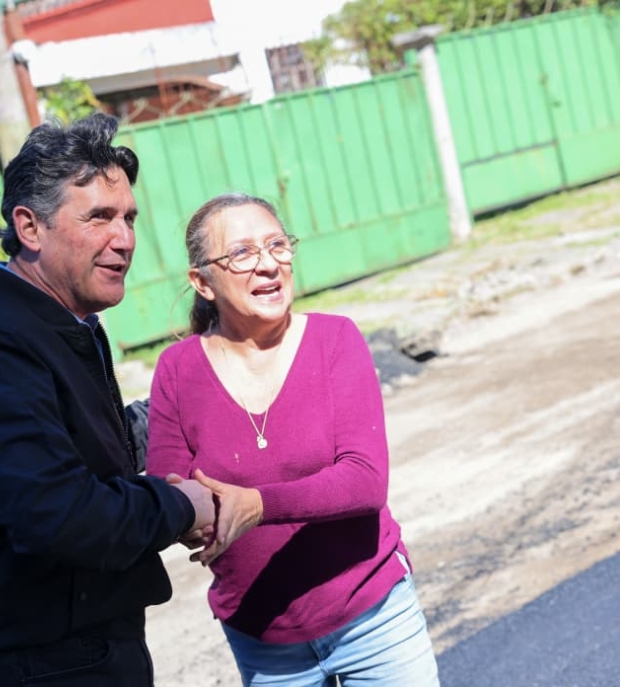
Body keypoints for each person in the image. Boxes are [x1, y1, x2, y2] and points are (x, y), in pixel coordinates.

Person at [0, 112, 215, 687]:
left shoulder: (58, 322)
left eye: (128, 218)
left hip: (76, 648)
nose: (124, 239)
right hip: (35, 664)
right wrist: (181, 506)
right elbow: (59, 515)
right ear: (29, 227)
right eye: (98, 217)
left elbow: (86, 453)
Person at [145, 193, 439, 686]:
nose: (268, 265)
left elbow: (364, 481)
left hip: (373, 616)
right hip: (262, 637)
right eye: (242, 253)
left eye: (277, 245)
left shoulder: (334, 340)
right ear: (203, 282)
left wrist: (256, 505)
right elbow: (167, 484)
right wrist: (187, 517)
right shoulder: (178, 370)